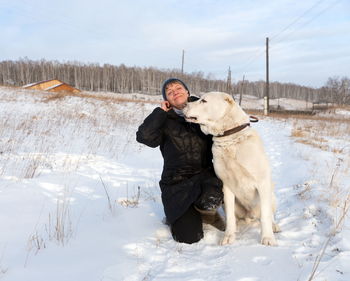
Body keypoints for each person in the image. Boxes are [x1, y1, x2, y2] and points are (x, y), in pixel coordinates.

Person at [136, 78, 225, 244]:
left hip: (205, 177)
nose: (174, 91)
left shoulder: (204, 111)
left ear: (187, 92)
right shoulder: (164, 119)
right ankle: (187, 214)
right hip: (176, 183)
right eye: (169, 92)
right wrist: (160, 112)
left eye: (178, 88)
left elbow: (225, 126)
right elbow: (144, 137)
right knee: (189, 237)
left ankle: (207, 212)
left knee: (212, 196)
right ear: (167, 100)